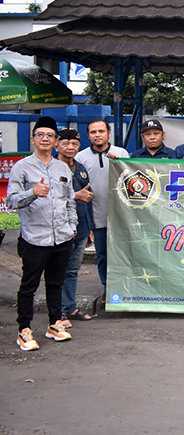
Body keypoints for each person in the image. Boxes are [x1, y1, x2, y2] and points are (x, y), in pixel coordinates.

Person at [8, 117, 77, 351]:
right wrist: (33, 193)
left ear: (56, 141)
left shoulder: (62, 167)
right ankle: (24, 329)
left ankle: (54, 323)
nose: (45, 139)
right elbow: (11, 200)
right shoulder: (21, 167)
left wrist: (72, 227)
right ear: (33, 139)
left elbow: (70, 200)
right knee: (29, 285)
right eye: (41, 135)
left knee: (56, 283)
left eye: (50, 135)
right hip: (35, 238)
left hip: (62, 237)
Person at [75, 118, 129, 291]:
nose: (97, 135)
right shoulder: (80, 157)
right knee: (103, 256)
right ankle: (108, 289)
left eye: (101, 131)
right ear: (88, 135)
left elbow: (131, 181)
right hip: (96, 217)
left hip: (121, 217)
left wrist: (119, 163)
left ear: (109, 133)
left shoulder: (121, 153)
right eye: (93, 132)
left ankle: (124, 289)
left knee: (123, 255)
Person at [56, 129, 94, 327]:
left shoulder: (80, 168)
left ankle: (70, 307)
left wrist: (89, 228)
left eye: (74, 144)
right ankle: (58, 312)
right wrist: (75, 196)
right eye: (65, 143)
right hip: (60, 229)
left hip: (81, 228)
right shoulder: (51, 168)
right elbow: (50, 197)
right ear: (56, 145)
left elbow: (88, 198)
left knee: (72, 270)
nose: (70, 147)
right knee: (58, 271)